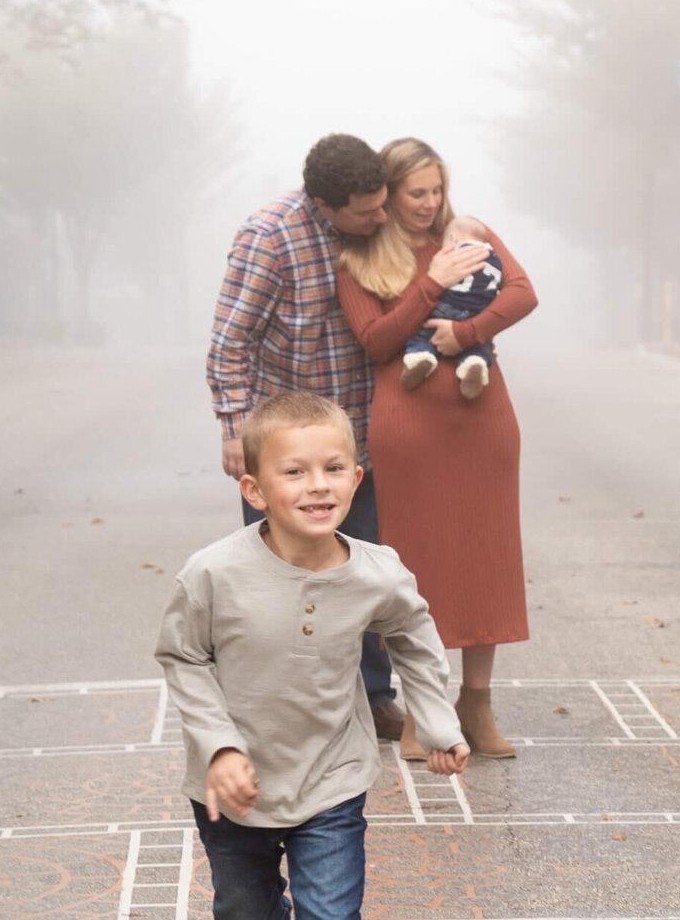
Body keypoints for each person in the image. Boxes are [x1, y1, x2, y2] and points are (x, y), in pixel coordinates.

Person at [155, 391, 470, 920]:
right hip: (236, 792)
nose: (317, 484)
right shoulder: (214, 573)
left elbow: (416, 636)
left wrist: (434, 722)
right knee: (246, 915)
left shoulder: (377, 572)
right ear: (255, 488)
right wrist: (220, 747)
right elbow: (182, 658)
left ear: (357, 478)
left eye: (333, 468)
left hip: (332, 783)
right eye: (294, 471)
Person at [337, 138, 538, 762]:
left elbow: (523, 293)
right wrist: (431, 284)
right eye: (415, 193)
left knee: (487, 558)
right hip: (409, 423)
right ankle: (423, 708)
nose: (428, 204)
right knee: (416, 567)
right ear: (389, 196)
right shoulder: (359, 258)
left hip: (482, 418)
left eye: (435, 191)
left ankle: (476, 705)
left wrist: (466, 333)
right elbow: (375, 340)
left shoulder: (467, 232)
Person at [206, 133, 406, 743]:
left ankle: (372, 695)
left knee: (360, 569)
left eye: (382, 204)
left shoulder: (372, 233)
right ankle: (273, 704)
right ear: (325, 203)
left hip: (357, 441)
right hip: (284, 444)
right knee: (280, 572)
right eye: (367, 209)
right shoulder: (270, 237)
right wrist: (235, 428)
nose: (380, 217)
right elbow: (229, 341)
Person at [400, 214, 503, 400]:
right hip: (478, 313)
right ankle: (475, 363)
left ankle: (421, 357)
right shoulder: (495, 258)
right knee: (480, 345)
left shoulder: (452, 251)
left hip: (448, 307)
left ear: (453, 238)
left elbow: (437, 274)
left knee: (423, 330)